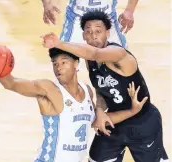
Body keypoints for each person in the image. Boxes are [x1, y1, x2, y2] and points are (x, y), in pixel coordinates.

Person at [41, 11, 169, 162]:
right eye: (88, 32)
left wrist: (59, 43)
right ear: (83, 36)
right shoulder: (91, 62)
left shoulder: (119, 54)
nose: (93, 36)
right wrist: (100, 110)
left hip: (142, 121)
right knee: (96, 159)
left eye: (98, 31)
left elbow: (95, 53)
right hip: (114, 120)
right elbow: (101, 91)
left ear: (107, 33)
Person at [0, 47, 147, 162]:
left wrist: (133, 111)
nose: (58, 67)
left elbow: (100, 120)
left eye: (64, 62)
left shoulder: (87, 91)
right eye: (55, 64)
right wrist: (0, 68)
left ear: (76, 64)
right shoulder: (49, 89)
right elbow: (11, 84)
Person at [41, 0, 139, 48]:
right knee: (64, 60)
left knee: (123, 62)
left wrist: (129, 10)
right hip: (77, 19)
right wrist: (47, 3)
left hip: (107, 18)